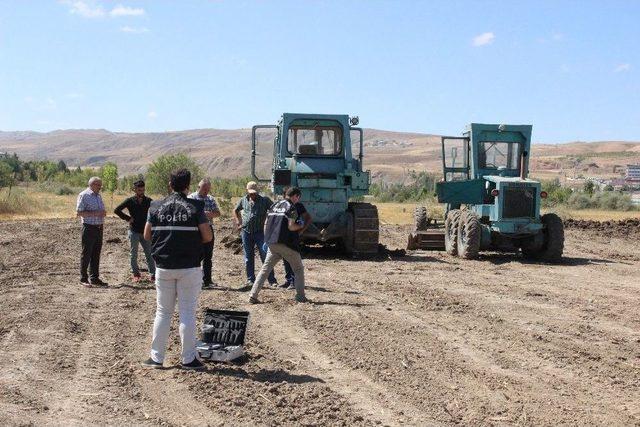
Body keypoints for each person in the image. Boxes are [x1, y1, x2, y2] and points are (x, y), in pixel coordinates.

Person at [141, 168, 213, 371]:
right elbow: (207, 237)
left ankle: (156, 358)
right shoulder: (195, 206)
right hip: (189, 267)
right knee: (187, 313)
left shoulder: (155, 206)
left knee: (162, 313)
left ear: (170, 185)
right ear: (188, 186)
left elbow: (147, 235)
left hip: (163, 267)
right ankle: (189, 359)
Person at [249, 187, 308, 304]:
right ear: (295, 196)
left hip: (272, 243)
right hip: (286, 244)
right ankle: (300, 297)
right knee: (298, 269)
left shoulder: (274, 205)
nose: (298, 200)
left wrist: (266, 239)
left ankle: (253, 295)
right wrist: (301, 225)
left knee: (265, 270)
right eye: (298, 198)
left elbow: (266, 223)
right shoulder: (291, 207)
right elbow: (291, 226)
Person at [234, 181, 277, 290]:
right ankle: (250, 280)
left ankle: (272, 280)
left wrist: (269, 224)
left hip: (260, 233)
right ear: (247, 192)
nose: (252, 195)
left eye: (254, 193)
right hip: (246, 232)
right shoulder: (243, 200)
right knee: (248, 257)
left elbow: (274, 210)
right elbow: (236, 210)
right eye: (250, 193)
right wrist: (239, 222)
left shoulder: (264, 200)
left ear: (257, 192)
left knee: (265, 256)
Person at [114, 179, 156, 283]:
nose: (141, 192)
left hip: (146, 231)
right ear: (135, 190)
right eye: (139, 190)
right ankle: (136, 274)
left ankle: (153, 274)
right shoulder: (130, 201)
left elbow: (155, 212)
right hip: (134, 231)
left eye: (142, 190)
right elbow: (117, 210)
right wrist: (127, 218)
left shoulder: (149, 201)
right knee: (134, 254)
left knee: (149, 253)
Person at [188, 178, 220, 289]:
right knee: (195, 255)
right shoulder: (191, 198)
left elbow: (217, 213)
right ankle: (194, 280)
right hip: (195, 230)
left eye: (208, 189)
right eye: (204, 189)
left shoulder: (210, 199)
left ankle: (207, 280)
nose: (206, 191)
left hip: (208, 228)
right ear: (198, 187)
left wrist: (209, 214)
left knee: (208, 256)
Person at [76, 176, 107, 287]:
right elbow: (79, 212)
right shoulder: (84, 195)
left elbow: (100, 211)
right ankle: (83, 278)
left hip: (99, 227)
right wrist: (96, 213)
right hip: (89, 227)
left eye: (100, 185)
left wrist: (103, 213)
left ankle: (94, 278)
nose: (100, 187)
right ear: (92, 184)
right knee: (86, 253)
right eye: (98, 185)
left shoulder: (98, 196)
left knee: (96, 254)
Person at [280, 187, 312, 290]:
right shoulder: (283, 205)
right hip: (284, 237)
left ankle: (294, 282)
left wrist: (302, 230)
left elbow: (308, 218)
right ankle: (289, 280)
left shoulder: (298, 206)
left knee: (293, 260)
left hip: (293, 236)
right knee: (285, 259)